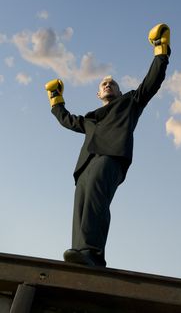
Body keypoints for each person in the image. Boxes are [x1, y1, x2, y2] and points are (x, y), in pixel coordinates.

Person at [45, 23, 170, 267]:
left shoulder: (129, 102)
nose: (107, 84)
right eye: (103, 84)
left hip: (111, 156)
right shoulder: (90, 119)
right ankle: (81, 256)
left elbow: (152, 82)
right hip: (85, 164)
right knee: (81, 206)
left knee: (96, 199)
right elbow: (67, 120)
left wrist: (161, 50)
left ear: (119, 90)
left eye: (112, 83)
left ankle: (92, 253)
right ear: (98, 94)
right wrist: (55, 99)